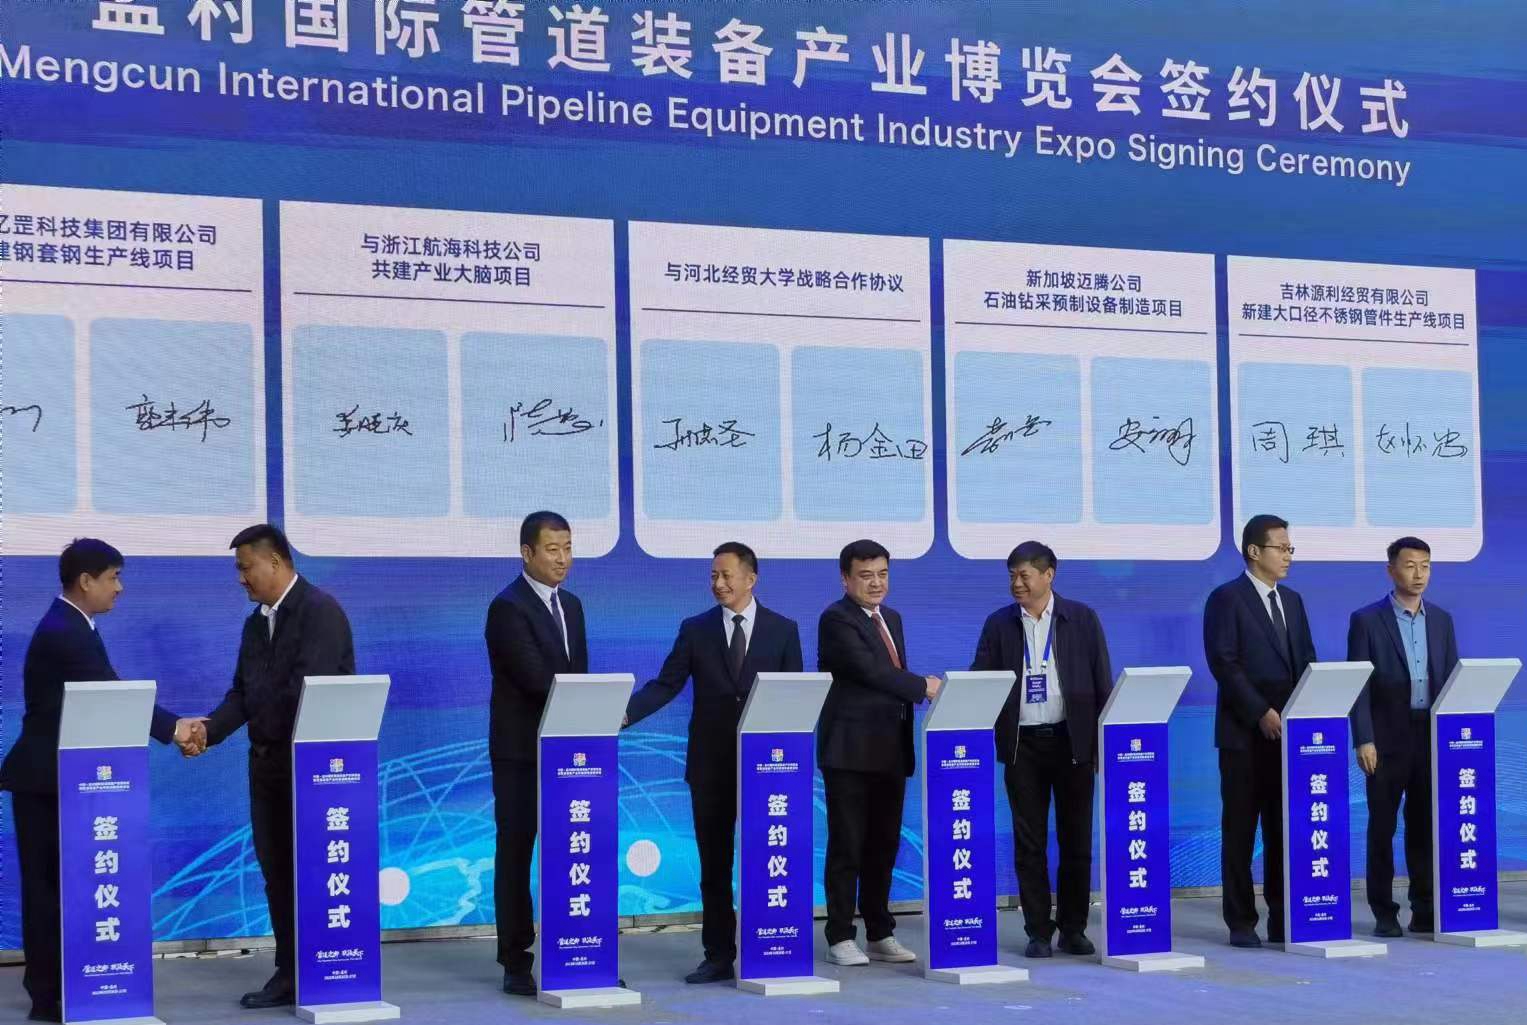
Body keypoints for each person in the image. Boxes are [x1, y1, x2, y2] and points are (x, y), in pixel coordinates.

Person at [0, 539, 204, 1024]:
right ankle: (49, 996)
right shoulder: (64, 631)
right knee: (47, 890)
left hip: (59, 778)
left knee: (55, 887)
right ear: (85, 580)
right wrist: (176, 729)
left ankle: (59, 989)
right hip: (45, 781)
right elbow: (110, 692)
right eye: (113, 577)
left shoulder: (74, 625)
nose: (119, 587)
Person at [625, 542, 803, 984]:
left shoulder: (783, 630)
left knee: (769, 860)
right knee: (715, 865)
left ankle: (772, 949)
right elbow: (666, 684)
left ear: (751, 578)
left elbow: (795, 698)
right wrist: (623, 714)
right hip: (710, 766)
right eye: (713, 576)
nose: (718, 584)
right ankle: (718, 955)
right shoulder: (696, 629)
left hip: (767, 771)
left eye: (726, 575)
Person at [193, 524, 355, 1009]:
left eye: (246, 568)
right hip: (266, 767)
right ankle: (291, 970)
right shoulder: (254, 624)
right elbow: (243, 692)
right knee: (277, 872)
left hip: (312, 772)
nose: (241, 579)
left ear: (276, 563)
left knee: (312, 871)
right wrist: (208, 732)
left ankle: (325, 966)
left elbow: (304, 692)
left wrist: (249, 720)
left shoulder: (320, 612)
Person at [970, 542, 1112, 958]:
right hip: (1023, 746)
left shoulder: (1081, 618)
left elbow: (1101, 680)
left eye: (1024, 575)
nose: (1016, 583)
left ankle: (1073, 928)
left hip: (1073, 742)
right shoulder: (999, 623)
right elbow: (980, 678)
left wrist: (1100, 744)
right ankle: (1037, 930)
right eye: (1012, 575)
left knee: (1076, 840)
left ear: (1049, 575)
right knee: (1028, 842)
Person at [816, 539, 941, 967]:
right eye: (866, 575)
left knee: (884, 846)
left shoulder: (892, 619)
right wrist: (923, 686)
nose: (876, 583)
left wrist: (915, 688)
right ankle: (839, 936)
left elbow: (889, 676)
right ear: (845, 579)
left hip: (890, 749)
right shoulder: (836, 619)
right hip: (849, 752)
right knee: (847, 846)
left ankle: (879, 932)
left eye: (882, 574)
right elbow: (871, 672)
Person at [485, 511, 588, 997]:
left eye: (567, 548)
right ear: (527, 553)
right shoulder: (507, 607)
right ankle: (516, 960)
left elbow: (578, 677)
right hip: (521, 754)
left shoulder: (574, 606)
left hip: (567, 752)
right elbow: (534, 679)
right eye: (552, 549)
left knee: (573, 849)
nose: (562, 559)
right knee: (516, 852)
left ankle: (578, 952)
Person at [1204, 514, 1316, 948]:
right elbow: (1224, 663)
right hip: (1244, 737)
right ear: (1254, 551)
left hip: (1288, 738)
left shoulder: (1294, 600)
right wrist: (1260, 712)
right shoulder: (1226, 599)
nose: (1288, 556)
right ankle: (1241, 922)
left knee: (1281, 831)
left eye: (1291, 549)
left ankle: (1282, 917)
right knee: (1240, 831)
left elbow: (1306, 661)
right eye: (1281, 548)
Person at [1348, 537, 1457, 937]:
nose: (1419, 574)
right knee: (1382, 826)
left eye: (1425, 566)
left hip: (1428, 734)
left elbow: (1451, 679)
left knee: (1424, 824)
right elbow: (1358, 686)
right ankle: (1384, 912)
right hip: (1385, 738)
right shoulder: (1367, 620)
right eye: (1410, 566)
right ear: (1391, 570)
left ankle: (1424, 907)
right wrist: (1364, 738)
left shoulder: (1442, 620)